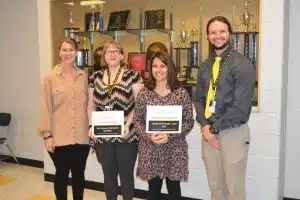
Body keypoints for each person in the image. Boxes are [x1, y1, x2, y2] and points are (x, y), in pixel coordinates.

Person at [194, 16, 256, 200]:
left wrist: (213, 129)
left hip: (232, 132)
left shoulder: (242, 65)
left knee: (233, 188)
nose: (218, 36)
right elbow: (198, 100)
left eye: (222, 31)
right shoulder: (205, 66)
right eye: (213, 32)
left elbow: (241, 107)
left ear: (229, 33)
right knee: (215, 187)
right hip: (209, 132)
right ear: (208, 36)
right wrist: (205, 127)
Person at [134, 51, 194, 200]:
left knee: (174, 190)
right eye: (155, 66)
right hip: (150, 148)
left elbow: (189, 121)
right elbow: (137, 121)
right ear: (150, 68)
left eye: (163, 66)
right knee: (153, 191)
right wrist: (149, 136)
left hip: (174, 149)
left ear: (169, 68)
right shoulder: (144, 93)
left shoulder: (181, 93)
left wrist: (170, 135)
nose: (158, 70)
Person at [87, 40, 143, 200]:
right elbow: (90, 105)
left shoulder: (133, 76)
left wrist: (128, 124)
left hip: (127, 134)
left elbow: (139, 105)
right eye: (108, 51)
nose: (111, 54)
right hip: (103, 135)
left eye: (115, 51)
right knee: (109, 177)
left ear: (122, 55)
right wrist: (91, 125)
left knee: (126, 176)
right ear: (103, 56)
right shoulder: (95, 77)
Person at [39, 37, 90, 200]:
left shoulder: (84, 76)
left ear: (76, 52)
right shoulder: (50, 78)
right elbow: (44, 107)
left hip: (81, 137)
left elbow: (89, 105)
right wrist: (47, 135)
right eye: (64, 50)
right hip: (59, 138)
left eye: (71, 50)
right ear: (59, 52)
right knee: (61, 176)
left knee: (79, 176)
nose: (68, 53)